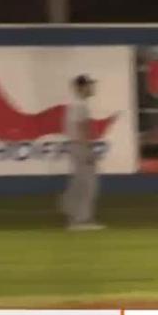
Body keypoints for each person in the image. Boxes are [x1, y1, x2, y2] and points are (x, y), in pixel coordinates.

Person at [61, 74, 104, 231]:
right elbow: (81, 129)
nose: (91, 88)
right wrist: (88, 150)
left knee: (80, 183)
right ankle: (80, 220)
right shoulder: (80, 105)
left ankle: (75, 217)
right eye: (89, 85)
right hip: (80, 147)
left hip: (76, 146)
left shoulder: (76, 104)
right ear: (81, 87)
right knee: (88, 184)